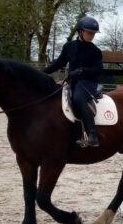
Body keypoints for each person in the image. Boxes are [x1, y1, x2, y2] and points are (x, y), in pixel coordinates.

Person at [44, 15, 104, 148]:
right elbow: (59, 63)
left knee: (78, 99)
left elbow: (98, 70)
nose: (92, 35)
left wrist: (81, 71)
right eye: (89, 33)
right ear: (80, 31)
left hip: (88, 82)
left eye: (93, 33)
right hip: (72, 81)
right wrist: (43, 72)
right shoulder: (69, 47)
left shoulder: (95, 51)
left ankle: (92, 135)